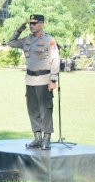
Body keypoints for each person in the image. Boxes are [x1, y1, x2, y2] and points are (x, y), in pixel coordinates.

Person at [9, 14, 60, 150]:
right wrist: (19, 29)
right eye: (30, 23)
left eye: (35, 23)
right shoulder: (27, 40)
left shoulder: (49, 40)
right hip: (30, 80)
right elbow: (11, 43)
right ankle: (37, 138)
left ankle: (46, 138)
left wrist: (53, 79)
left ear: (42, 24)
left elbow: (55, 60)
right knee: (33, 110)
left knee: (45, 110)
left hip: (44, 79)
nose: (31, 26)